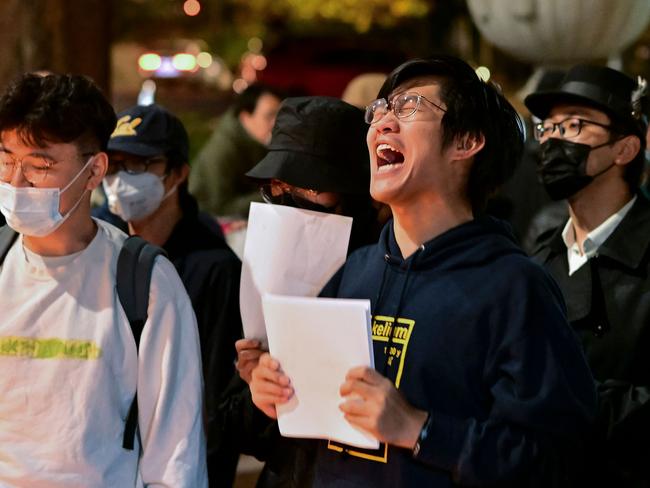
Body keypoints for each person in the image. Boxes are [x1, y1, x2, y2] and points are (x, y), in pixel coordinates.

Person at [248, 56, 598, 487]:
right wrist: (278, 391)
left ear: (467, 142)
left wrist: (419, 429)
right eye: (379, 112)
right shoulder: (352, 272)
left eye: (410, 107)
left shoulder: (514, 288)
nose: (382, 124)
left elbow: (558, 460)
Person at [0, 73, 207, 486]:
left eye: (39, 165)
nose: (16, 183)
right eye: (6, 161)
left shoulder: (143, 281)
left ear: (95, 170)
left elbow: (176, 455)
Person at [222, 96, 380, 487]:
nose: (287, 198)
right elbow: (234, 429)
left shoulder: (388, 271)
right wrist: (258, 391)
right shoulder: (260, 271)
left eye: (308, 187)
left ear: (353, 189)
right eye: (277, 185)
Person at [101, 103, 243, 487]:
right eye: (112, 166)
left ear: (178, 173)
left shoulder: (213, 268)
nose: (121, 179)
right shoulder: (97, 248)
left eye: (139, 166)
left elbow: (214, 399)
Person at [525, 65, 650, 486]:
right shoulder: (539, 256)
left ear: (625, 149)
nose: (553, 139)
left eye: (575, 125)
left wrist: (561, 398)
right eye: (548, 128)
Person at [189, 84, 283, 218]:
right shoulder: (223, 148)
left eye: (279, 116)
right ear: (245, 117)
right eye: (269, 116)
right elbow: (220, 207)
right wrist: (273, 193)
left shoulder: (258, 141)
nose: (275, 123)